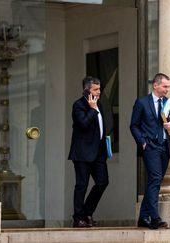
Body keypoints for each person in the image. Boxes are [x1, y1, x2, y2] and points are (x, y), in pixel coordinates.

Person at [130, 73, 170, 229]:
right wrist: (142, 142)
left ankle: (143, 217)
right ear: (155, 85)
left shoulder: (169, 103)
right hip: (150, 146)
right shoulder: (142, 102)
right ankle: (155, 217)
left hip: (164, 146)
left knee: (155, 181)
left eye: (168, 86)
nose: (167, 89)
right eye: (165, 86)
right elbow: (134, 125)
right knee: (155, 178)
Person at [68, 76, 109, 228]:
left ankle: (87, 212)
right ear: (86, 90)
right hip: (82, 152)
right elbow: (83, 124)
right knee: (81, 185)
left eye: (99, 89)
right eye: (95, 90)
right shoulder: (78, 105)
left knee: (103, 182)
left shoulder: (100, 104)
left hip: (98, 152)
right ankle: (78, 218)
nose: (99, 92)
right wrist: (92, 110)